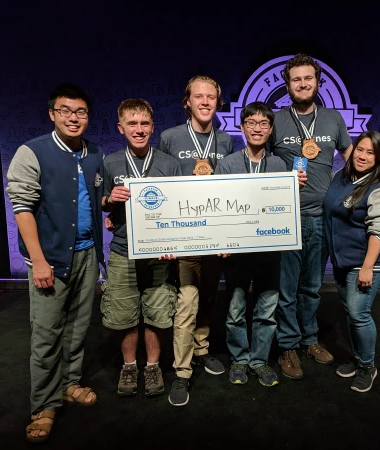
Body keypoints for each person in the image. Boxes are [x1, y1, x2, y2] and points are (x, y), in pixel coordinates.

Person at [6, 83, 104, 443]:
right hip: (50, 258)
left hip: (87, 254)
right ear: (52, 114)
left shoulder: (94, 153)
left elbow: (93, 199)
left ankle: (69, 383)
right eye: (65, 110)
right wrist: (38, 260)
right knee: (47, 333)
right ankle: (44, 405)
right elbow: (22, 208)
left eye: (80, 112)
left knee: (78, 327)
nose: (73, 118)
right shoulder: (32, 152)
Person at [267, 53, 353, 379]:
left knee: (313, 287)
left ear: (318, 82)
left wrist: (350, 190)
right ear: (287, 85)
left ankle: (309, 339)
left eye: (308, 78)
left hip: (321, 218)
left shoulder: (332, 119)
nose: (302, 84)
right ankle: (287, 345)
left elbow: (352, 158)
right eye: (296, 79)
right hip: (285, 218)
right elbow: (260, 161)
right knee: (286, 289)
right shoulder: (276, 120)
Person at [215, 102, 307, 387]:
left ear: (270, 129)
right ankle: (239, 359)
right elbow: (218, 207)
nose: (257, 128)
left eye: (263, 123)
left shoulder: (280, 165)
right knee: (235, 311)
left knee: (267, 311)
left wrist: (294, 189)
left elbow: (283, 207)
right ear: (242, 128)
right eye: (251, 123)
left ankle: (259, 360)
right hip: (237, 254)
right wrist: (221, 240)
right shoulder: (227, 164)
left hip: (269, 252)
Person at [156, 74, 234, 406]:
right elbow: (159, 183)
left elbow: (230, 190)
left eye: (210, 97)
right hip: (185, 235)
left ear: (218, 102)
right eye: (198, 96)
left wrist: (228, 236)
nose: (205, 102)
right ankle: (182, 371)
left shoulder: (226, 140)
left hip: (214, 236)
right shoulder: (170, 137)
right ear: (187, 102)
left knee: (208, 297)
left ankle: (202, 348)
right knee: (187, 302)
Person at [101, 99, 181, 398]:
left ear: (153, 127)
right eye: (132, 124)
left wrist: (174, 243)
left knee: (157, 315)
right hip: (123, 251)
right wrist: (109, 200)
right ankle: (129, 366)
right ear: (120, 128)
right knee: (125, 315)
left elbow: (179, 209)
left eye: (144, 123)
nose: (139, 129)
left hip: (159, 254)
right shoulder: (109, 163)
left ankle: (153, 366)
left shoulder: (169, 164)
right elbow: (99, 202)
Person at [323, 130, 380, 392]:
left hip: (367, 261)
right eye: (360, 150)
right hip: (343, 259)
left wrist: (367, 267)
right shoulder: (340, 177)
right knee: (350, 311)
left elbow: (379, 231)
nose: (363, 156)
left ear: (379, 158)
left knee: (358, 313)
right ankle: (357, 358)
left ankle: (368, 366)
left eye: (370, 153)